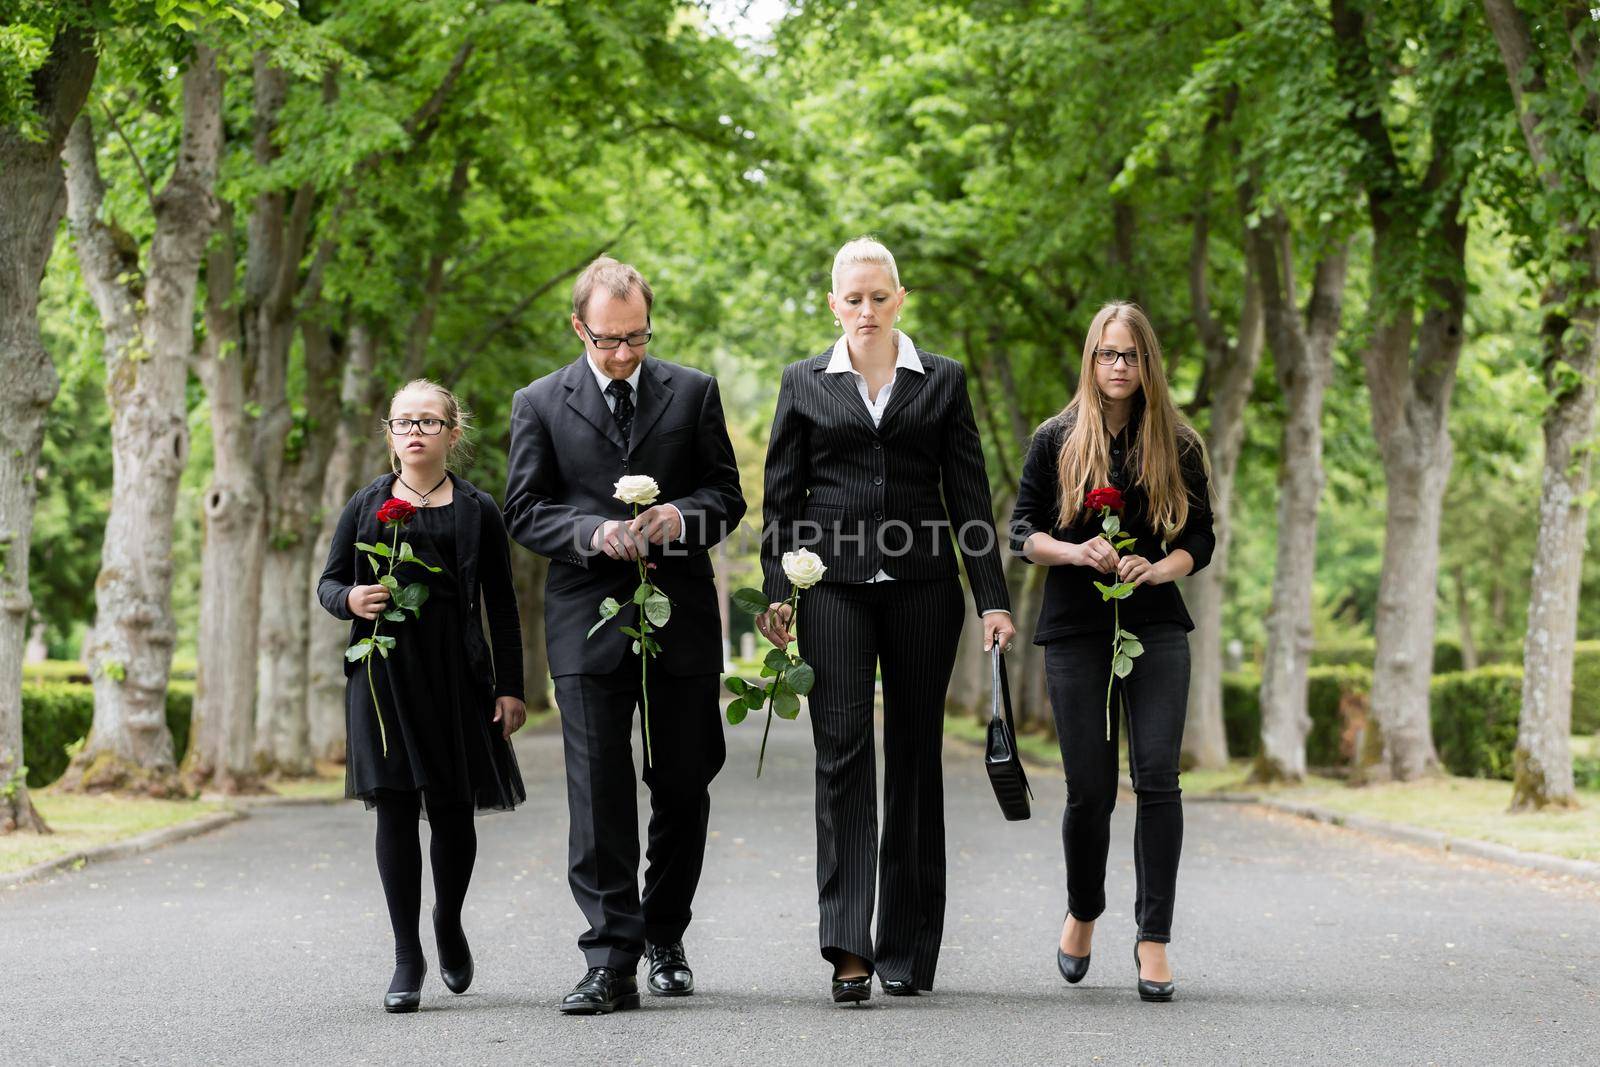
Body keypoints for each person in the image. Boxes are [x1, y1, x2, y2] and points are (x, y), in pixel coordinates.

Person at [757, 237, 1015, 1004]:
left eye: (879, 296)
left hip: (923, 588)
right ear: (833, 304)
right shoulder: (803, 382)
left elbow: (969, 494)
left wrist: (991, 596)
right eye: (852, 298)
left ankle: (907, 947)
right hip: (831, 587)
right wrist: (779, 588)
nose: (866, 310)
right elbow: (781, 497)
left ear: (900, 297)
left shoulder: (942, 381)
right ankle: (848, 945)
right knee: (841, 753)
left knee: (911, 759)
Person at [504, 256, 746, 1014]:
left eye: (636, 338)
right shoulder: (538, 402)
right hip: (584, 616)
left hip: (680, 610)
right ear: (580, 327)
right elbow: (524, 509)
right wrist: (594, 531)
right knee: (599, 787)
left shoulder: (695, 391)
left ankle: (665, 932)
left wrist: (682, 517)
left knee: (683, 778)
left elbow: (726, 496)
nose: (623, 354)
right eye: (609, 339)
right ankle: (610, 957)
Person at [1009, 301, 1215, 1003]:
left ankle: (1153, 936)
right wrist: (1075, 551)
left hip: (1155, 627)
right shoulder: (1056, 437)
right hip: (1075, 629)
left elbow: (1203, 540)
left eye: (1130, 354)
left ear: (1147, 362)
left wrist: (1160, 568)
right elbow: (1022, 532)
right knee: (1090, 789)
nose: (1118, 366)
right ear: (1090, 359)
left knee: (1157, 779)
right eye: (1107, 353)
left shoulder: (1178, 444)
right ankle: (1084, 909)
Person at [317, 379, 528, 1013]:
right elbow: (330, 585)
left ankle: (448, 922)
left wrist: (512, 687)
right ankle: (406, 955)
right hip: (383, 676)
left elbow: (503, 604)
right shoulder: (365, 505)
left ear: (451, 434)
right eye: (404, 421)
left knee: (454, 810)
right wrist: (352, 599)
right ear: (390, 433)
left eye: (429, 422)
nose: (415, 431)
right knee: (395, 808)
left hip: (457, 676)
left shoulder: (477, 509)